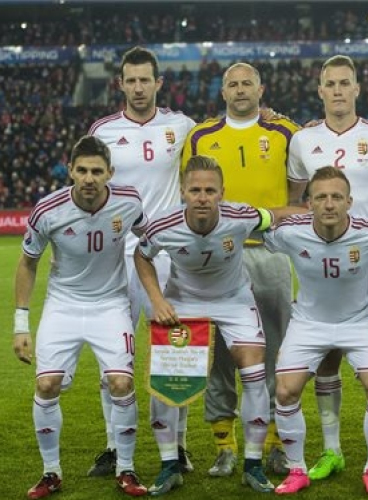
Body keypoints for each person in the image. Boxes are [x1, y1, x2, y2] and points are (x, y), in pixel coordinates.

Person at [134, 155, 301, 495]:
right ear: (183, 192)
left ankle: (252, 465)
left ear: (222, 193)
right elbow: (142, 255)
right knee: (166, 380)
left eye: (210, 190)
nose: (202, 197)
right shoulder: (163, 225)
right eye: (195, 190)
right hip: (183, 301)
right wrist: (157, 299)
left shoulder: (240, 216)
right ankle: (169, 466)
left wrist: (316, 212)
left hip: (234, 300)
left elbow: (278, 215)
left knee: (253, 370)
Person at [286, 54, 368, 481]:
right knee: (326, 358)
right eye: (331, 83)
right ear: (320, 90)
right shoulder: (302, 141)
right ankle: (332, 450)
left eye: (345, 83)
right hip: (320, 265)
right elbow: (295, 200)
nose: (338, 90)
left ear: (357, 88)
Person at [13, 135, 149, 498]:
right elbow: (28, 263)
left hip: (111, 305)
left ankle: (126, 468)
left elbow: (147, 239)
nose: (90, 178)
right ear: (71, 170)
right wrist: (20, 324)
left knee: (121, 384)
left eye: (97, 171)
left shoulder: (129, 202)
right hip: (63, 305)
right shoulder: (48, 210)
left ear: (110, 173)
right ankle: (51, 473)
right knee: (46, 385)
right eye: (83, 170)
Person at [182, 62, 299, 476]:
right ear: (223, 92)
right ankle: (224, 445)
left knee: (276, 348)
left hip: (270, 252)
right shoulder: (200, 136)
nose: (240, 89)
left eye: (247, 83)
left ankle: (274, 442)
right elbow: (189, 193)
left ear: (261, 89)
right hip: (216, 258)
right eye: (232, 84)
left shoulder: (286, 132)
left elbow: (297, 194)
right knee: (218, 354)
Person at [88, 46, 196, 477]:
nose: (137, 87)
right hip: (116, 258)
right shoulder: (103, 130)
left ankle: (179, 447)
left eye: (144, 80)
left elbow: (217, 141)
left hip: (166, 256)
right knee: (113, 356)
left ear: (158, 83)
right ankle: (113, 446)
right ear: (121, 84)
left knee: (176, 355)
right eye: (130, 80)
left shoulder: (182, 126)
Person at [264, 166, 368, 495]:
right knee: (285, 391)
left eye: (337, 197)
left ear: (349, 202)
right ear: (308, 202)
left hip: (360, 322)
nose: (329, 204)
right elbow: (250, 229)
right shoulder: (289, 233)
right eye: (321, 197)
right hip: (309, 323)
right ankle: (297, 470)